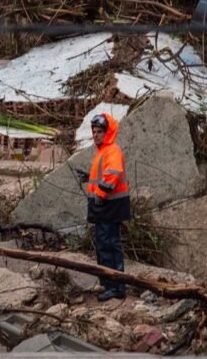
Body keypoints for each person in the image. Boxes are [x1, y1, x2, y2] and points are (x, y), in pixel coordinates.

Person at [73, 113, 131, 301]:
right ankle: (109, 283)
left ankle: (116, 286)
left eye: (99, 132)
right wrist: (89, 177)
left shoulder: (112, 150)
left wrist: (100, 194)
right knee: (105, 245)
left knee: (109, 245)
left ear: (107, 132)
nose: (96, 135)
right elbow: (104, 175)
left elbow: (113, 175)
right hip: (105, 207)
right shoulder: (104, 151)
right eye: (94, 132)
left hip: (109, 206)